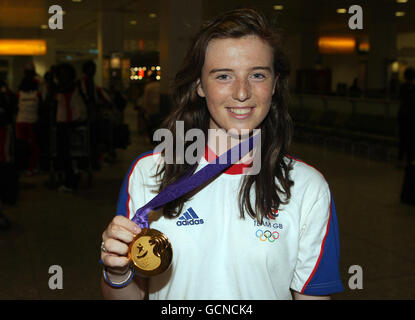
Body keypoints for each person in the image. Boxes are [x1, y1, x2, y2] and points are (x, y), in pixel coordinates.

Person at [100, 8, 344, 300]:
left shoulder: (307, 187)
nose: (242, 92)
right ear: (199, 85)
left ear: (275, 84)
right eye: (224, 76)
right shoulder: (149, 172)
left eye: (257, 75)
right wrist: (117, 272)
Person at [54, 63, 87, 192]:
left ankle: (71, 179)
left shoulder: (73, 88)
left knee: (68, 152)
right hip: (67, 123)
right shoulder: (62, 89)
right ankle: (72, 177)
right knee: (67, 153)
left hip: (72, 124)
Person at [15, 64, 42, 175]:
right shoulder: (37, 93)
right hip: (32, 122)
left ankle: (24, 167)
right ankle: (32, 167)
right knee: (33, 146)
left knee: (23, 146)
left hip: (21, 121)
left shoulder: (19, 94)